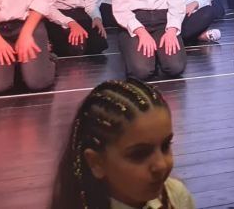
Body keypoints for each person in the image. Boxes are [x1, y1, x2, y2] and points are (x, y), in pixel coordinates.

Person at [49, 78, 195, 209]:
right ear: (96, 162)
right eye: (139, 154)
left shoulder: (176, 195)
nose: (161, 165)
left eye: (165, 146)